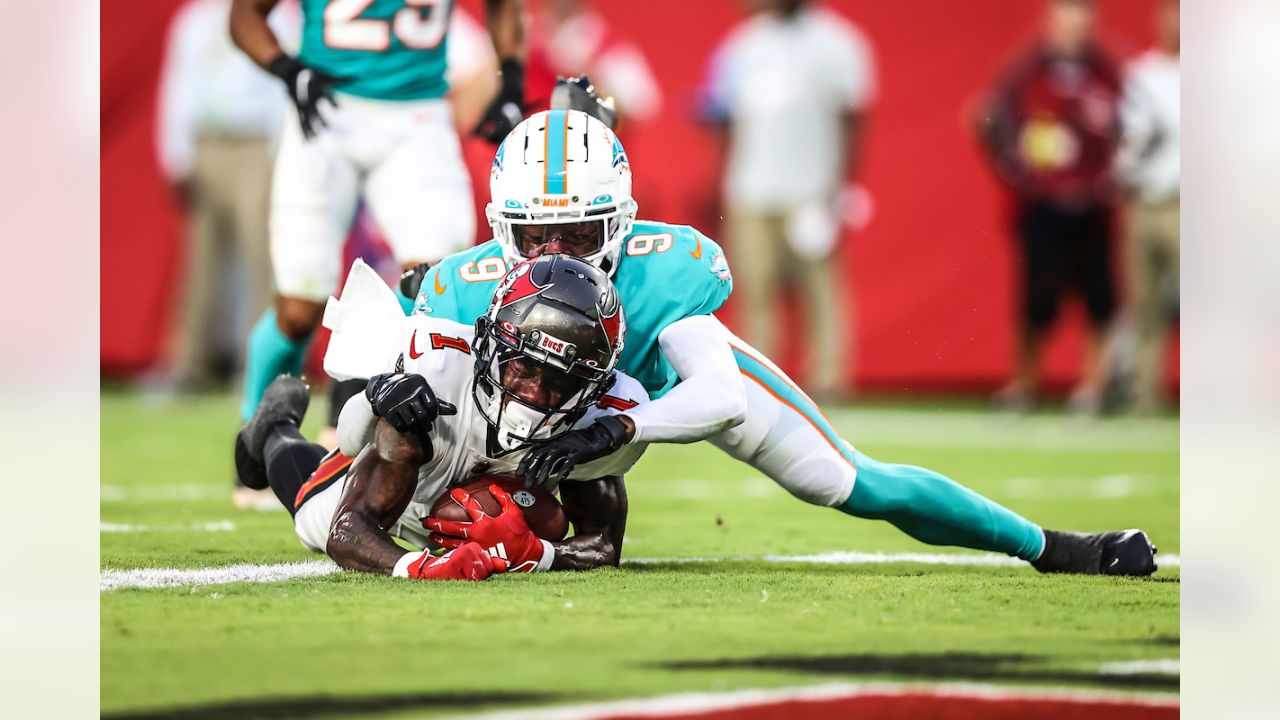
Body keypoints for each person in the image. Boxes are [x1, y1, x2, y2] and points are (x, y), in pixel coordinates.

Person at [407, 108, 1158, 576]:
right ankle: (285, 449)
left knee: (851, 482)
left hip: (651, 393)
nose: (558, 255)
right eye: (537, 235)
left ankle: (1053, 547)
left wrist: (616, 427)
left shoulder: (663, 275)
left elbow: (720, 397)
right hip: (565, 415)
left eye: (578, 232)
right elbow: (398, 380)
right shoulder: (466, 283)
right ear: (502, 228)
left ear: (622, 223)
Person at [235, 254, 647, 578]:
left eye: (561, 381)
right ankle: (273, 427)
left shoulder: (600, 419)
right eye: (523, 367)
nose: (533, 395)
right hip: (403, 503)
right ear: (490, 343)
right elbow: (347, 525)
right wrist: (376, 395)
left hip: (464, 506)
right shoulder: (438, 369)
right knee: (312, 511)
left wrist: (536, 554)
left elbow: (605, 546)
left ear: (594, 386)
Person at [229, 0, 528, 425]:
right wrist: (286, 68)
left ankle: (353, 404)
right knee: (298, 311)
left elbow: (504, 7)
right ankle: (256, 434)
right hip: (325, 109)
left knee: (433, 281)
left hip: (417, 117)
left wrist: (510, 81)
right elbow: (244, 15)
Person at [702, 0, 875, 398]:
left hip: (811, 191)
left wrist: (842, 187)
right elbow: (724, 118)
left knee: (820, 287)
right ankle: (761, 381)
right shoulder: (742, 45)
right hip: (750, 190)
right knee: (755, 290)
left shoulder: (837, 43)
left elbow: (852, 119)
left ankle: (829, 380)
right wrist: (718, 183)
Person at [976, 0, 1122, 414]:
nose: (1072, 30)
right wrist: (1019, 175)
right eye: (1064, 21)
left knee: (1100, 299)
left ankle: (1093, 387)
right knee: (1036, 300)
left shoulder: (1107, 71)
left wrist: (1111, 178)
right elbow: (987, 117)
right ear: (1050, 24)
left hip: (1094, 204)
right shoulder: (1026, 71)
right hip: (1043, 206)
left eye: (1080, 22)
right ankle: (1024, 385)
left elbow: (1132, 124)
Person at [156, 0, 298, 392]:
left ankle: (253, 369)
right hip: (207, 141)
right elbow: (178, 87)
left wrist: (279, 154)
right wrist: (176, 154)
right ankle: (188, 364)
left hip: (254, 144)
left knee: (258, 259)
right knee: (200, 263)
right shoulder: (193, 21)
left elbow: (283, 88)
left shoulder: (280, 19)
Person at [1115, 0, 1180, 415]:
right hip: (1145, 200)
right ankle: (1141, 399)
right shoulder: (1143, 75)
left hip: (1190, 202)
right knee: (1144, 306)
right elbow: (1127, 141)